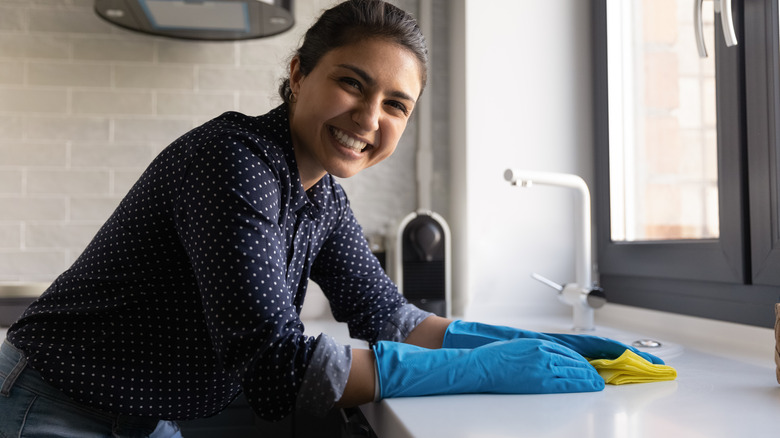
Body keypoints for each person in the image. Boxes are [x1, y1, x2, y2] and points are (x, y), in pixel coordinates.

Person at [0, 1, 662, 436]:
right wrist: (487, 370)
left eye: (395, 105)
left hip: (146, 416)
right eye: (352, 83)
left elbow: (389, 317)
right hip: (57, 407)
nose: (370, 118)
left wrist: (517, 344)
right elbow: (278, 366)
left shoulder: (319, 196)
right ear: (298, 73)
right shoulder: (233, 160)